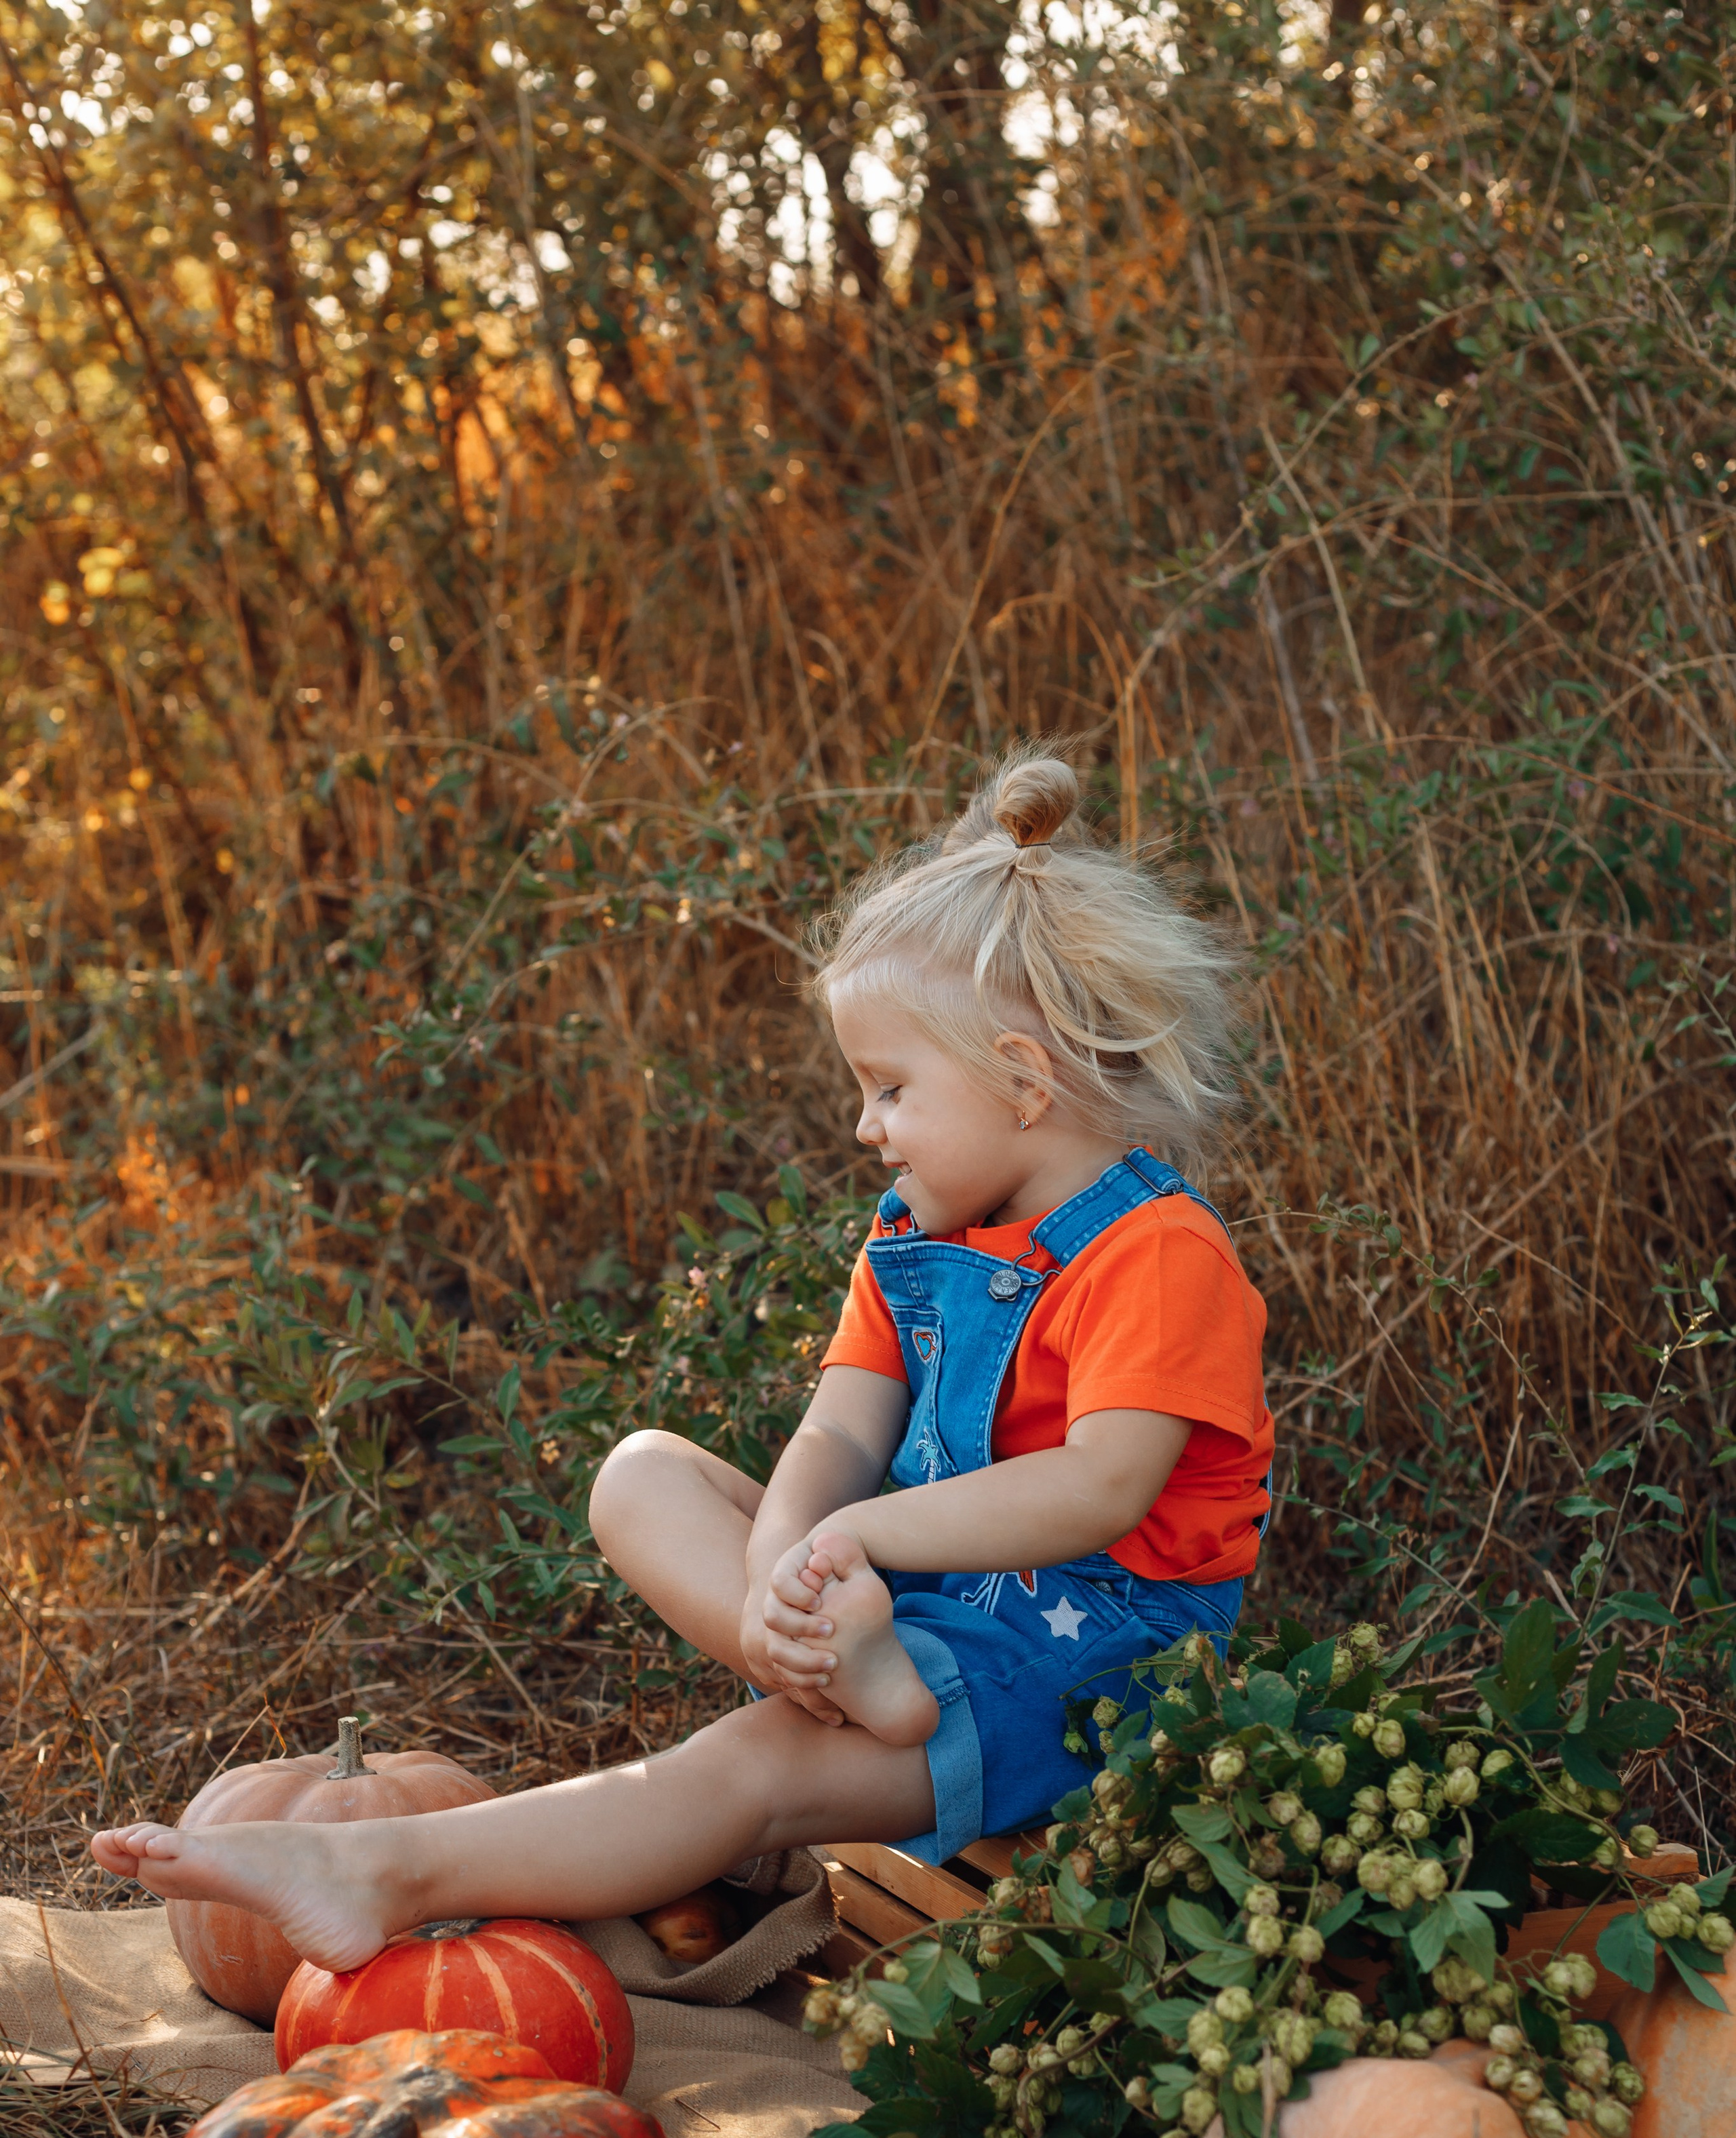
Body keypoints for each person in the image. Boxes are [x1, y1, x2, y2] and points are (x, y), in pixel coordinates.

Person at [90, 751, 1273, 1975]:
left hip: (1089, 1672)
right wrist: (780, 1583)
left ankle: (379, 1867)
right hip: (903, 1610)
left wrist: (862, 1544)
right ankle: (835, 1675)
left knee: (737, 1770)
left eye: (889, 1088)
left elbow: (1101, 1487)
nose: (865, 1125)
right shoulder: (917, 1234)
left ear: (1023, 1082)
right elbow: (836, 1438)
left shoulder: (1159, 1254)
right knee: (640, 1475)